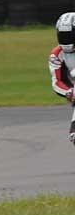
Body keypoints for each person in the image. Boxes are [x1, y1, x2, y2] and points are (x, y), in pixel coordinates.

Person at [48, 12, 75, 144]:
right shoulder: (57, 54)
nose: (67, 39)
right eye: (63, 35)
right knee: (74, 136)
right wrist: (69, 92)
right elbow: (57, 81)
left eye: (70, 35)